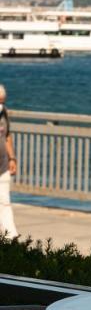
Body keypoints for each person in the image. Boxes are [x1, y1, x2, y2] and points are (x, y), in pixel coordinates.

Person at [0, 84, 20, 240]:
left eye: (3, 102)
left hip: (3, 165)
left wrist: (12, 158)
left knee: (5, 202)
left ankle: (11, 238)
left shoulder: (4, 113)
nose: (1, 105)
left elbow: (7, 136)